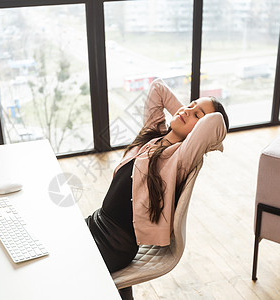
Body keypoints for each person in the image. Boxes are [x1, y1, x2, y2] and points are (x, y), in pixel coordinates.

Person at [85, 78, 229, 274]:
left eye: (198, 115)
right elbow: (158, 88)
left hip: (114, 244)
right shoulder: (153, 134)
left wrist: (208, 139)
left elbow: (215, 122)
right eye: (189, 105)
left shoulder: (180, 159)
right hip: (96, 222)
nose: (187, 110)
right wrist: (187, 115)